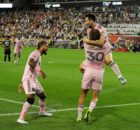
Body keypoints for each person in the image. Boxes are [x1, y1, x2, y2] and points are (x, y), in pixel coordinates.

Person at [76, 29, 112, 122]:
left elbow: (86, 39)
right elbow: (108, 61)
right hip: (99, 72)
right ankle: (89, 110)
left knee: (83, 94)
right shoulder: (106, 45)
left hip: (88, 71)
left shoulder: (86, 44)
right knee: (95, 95)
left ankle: (79, 116)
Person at [83, 14, 127, 85]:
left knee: (108, 61)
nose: (85, 23)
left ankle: (120, 77)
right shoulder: (89, 29)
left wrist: (87, 41)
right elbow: (91, 40)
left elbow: (101, 42)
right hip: (95, 49)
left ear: (91, 20)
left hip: (104, 49)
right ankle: (91, 79)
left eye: (86, 21)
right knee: (85, 66)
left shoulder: (101, 29)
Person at [17, 41, 52, 124]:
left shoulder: (39, 55)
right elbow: (30, 62)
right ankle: (21, 118)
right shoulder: (36, 53)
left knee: (42, 96)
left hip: (34, 79)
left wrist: (21, 82)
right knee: (31, 99)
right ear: (42, 46)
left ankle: (42, 112)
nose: (48, 48)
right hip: (29, 79)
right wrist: (40, 71)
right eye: (47, 46)